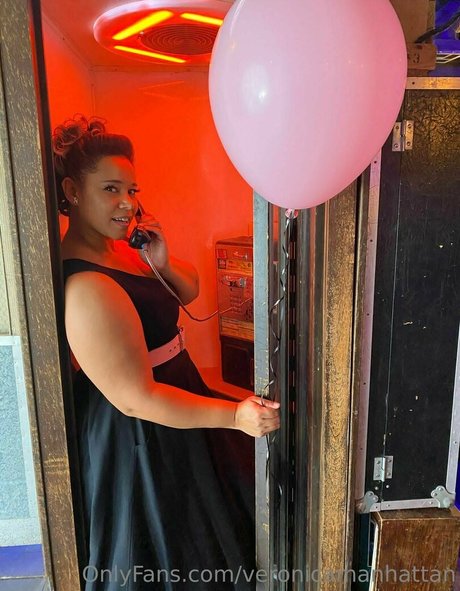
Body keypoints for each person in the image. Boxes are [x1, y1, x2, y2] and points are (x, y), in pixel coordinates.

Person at [53, 115, 280, 591]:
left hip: (177, 399)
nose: (127, 203)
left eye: (132, 190)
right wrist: (234, 417)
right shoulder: (87, 287)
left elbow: (189, 289)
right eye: (111, 189)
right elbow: (136, 399)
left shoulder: (118, 250)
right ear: (72, 191)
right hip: (143, 431)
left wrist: (159, 260)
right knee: (171, 547)